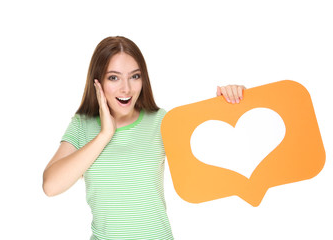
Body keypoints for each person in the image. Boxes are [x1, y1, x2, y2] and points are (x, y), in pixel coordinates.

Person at [42, 36, 245, 239]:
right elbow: (51, 186)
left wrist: (227, 106)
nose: (126, 89)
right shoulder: (82, 125)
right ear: (98, 82)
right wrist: (105, 135)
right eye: (114, 77)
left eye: (135, 76)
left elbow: (210, 161)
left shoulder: (160, 121)